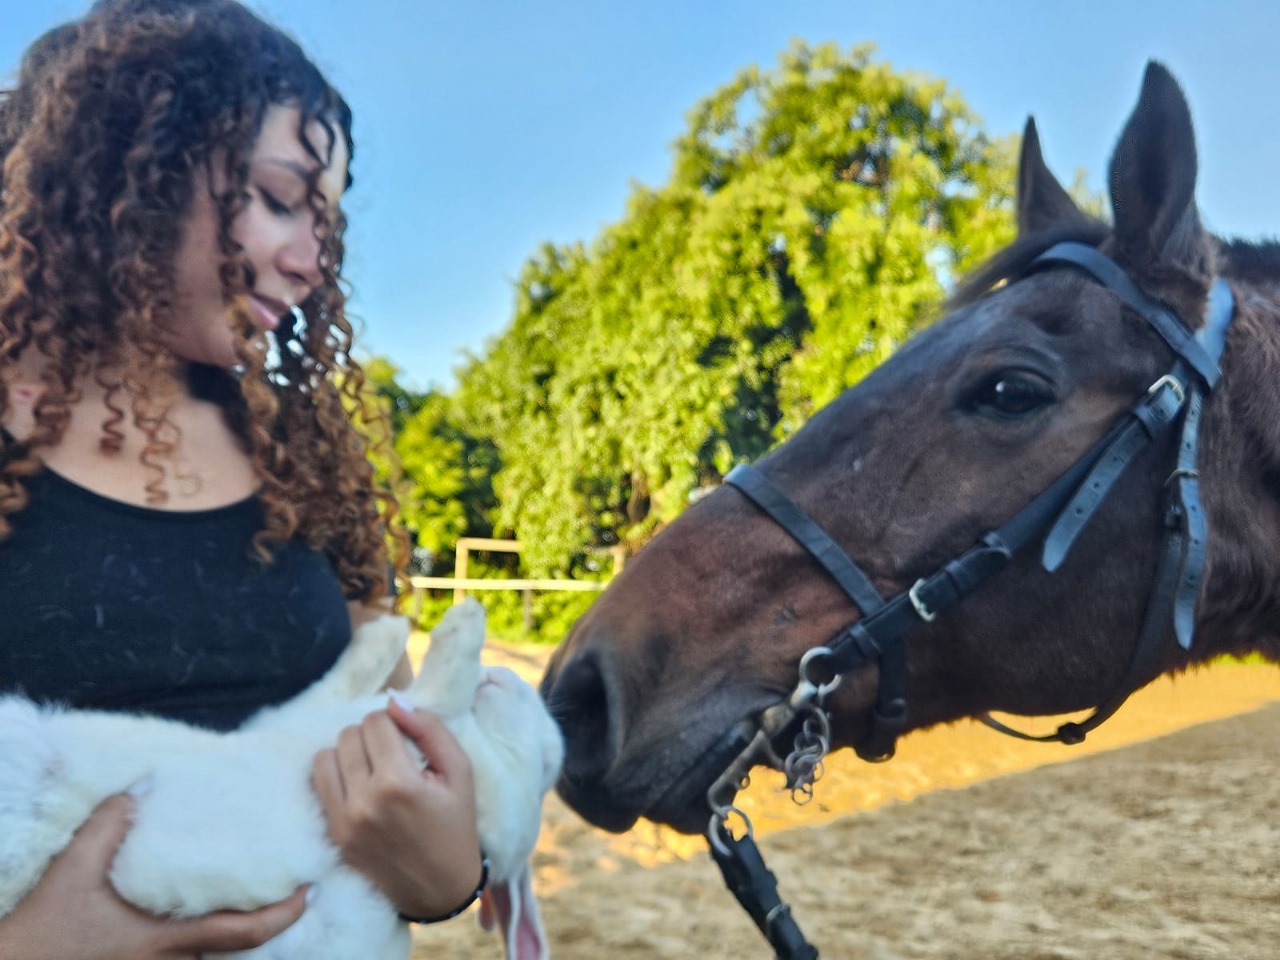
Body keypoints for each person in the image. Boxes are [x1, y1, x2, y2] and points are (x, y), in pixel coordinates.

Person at [0, 2, 485, 957]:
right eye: (278, 195)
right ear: (124, 169)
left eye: (327, 223)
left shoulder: (303, 452)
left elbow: (388, 739)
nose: (310, 262)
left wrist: (448, 875)